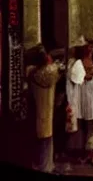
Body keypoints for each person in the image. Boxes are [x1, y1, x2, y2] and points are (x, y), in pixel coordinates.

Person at [26, 45, 61, 173]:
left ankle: (42, 167)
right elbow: (56, 69)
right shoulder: (49, 72)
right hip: (46, 114)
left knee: (39, 144)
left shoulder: (31, 72)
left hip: (36, 114)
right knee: (46, 145)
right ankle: (46, 168)